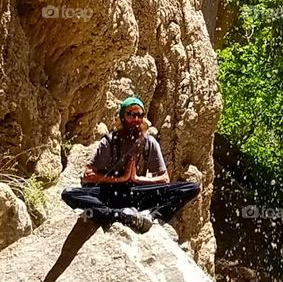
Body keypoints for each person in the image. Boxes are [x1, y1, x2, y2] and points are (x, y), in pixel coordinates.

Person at [61, 96, 200, 232]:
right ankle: (119, 215)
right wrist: (119, 179)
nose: (135, 119)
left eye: (139, 115)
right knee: (69, 194)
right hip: (109, 192)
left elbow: (164, 179)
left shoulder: (149, 143)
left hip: (137, 192)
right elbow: (87, 176)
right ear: (123, 117)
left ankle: (150, 216)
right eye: (131, 114)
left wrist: (137, 179)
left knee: (191, 188)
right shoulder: (110, 142)